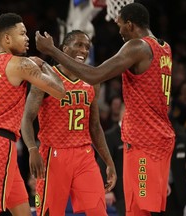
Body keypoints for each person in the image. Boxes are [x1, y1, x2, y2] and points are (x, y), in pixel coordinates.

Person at [35, 2, 175, 215]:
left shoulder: (137, 46)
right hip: (160, 137)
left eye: (119, 25)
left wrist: (51, 50)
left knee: (139, 211)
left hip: (144, 141)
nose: (118, 31)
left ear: (129, 24)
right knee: (139, 210)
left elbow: (94, 75)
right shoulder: (164, 48)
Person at [0, 13, 65, 216]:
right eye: (22, 33)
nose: (27, 38)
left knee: (23, 211)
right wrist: (43, 64)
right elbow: (59, 91)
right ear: (7, 38)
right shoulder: (20, 64)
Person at [21, 30, 117, 216]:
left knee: (99, 212)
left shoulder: (91, 80)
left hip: (84, 155)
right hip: (53, 155)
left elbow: (95, 127)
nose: (84, 50)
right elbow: (26, 118)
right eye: (79, 45)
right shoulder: (46, 76)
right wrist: (32, 148)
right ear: (64, 48)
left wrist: (109, 161)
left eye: (87, 47)